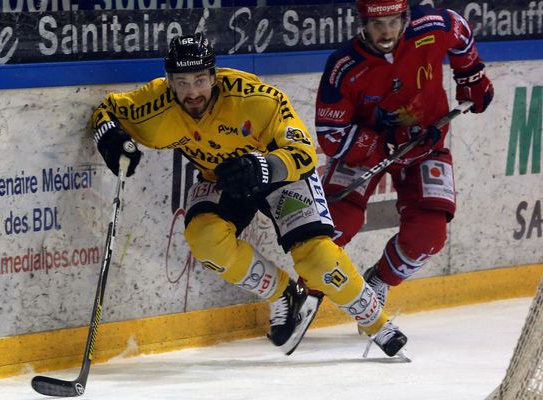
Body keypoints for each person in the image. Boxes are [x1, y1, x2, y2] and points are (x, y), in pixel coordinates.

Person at [91, 32, 407, 357]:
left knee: (318, 260)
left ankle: (379, 325)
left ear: (214, 76)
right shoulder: (155, 106)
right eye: (182, 82)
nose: (192, 92)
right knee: (205, 238)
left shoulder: (256, 98)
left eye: (200, 80)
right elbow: (108, 111)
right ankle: (285, 294)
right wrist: (112, 141)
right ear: (169, 81)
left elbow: (303, 154)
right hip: (223, 177)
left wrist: (264, 166)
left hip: (280, 173)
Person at [314, 0, 494, 307]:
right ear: (363, 23)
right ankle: (307, 292)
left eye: (393, 22)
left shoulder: (431, 26)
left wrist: (470, 76)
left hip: (424, 145)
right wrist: (376, 146)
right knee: (336, 223)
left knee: (429, 235)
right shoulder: (343, 64)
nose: (386, 32)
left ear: (405, 17)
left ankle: (380, 280)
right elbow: (330, 133)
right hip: (366, 148)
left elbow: (459, 28)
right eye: (377, 25)